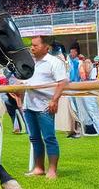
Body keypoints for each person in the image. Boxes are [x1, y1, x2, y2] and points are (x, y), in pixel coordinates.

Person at [23, 35, 69, 179]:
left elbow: (62, 82)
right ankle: (38, 168)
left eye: (35, 45)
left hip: (45, 106)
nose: (32, 48)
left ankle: (52, 170)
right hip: (29, 105)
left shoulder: (54, 62)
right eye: (32, 45)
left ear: (46, 47)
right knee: (34, 138)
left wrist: (54, 100)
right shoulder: (30, 62)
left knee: (49, 138)